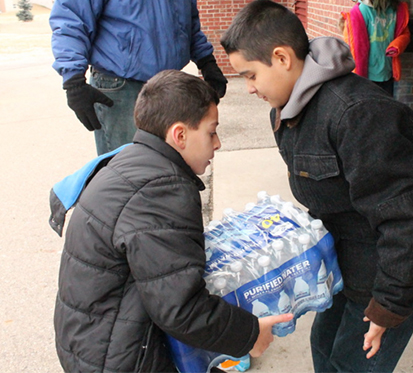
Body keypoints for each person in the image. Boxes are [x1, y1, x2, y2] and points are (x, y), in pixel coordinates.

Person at [221, 0, 413, 373]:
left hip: (389, 274)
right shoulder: (288, 111)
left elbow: (406, 217)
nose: (248, 88)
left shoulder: (357, 114)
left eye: (250, 75)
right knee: (324, 348)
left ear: (281, 58)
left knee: (350, 364)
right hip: (347, 263)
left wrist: (387, 307)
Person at [49, 70, 292, 372]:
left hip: (89, 338)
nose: (217, 144)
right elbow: (180, 308)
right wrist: (249, 334)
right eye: (211, 132)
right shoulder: (163, 190)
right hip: (116, 357)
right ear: (179, 135)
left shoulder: (132, 160)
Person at [49, 0, 228, 156]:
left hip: (169, 87)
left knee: (168, 169)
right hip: (122, 88)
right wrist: (73, 80)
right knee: (129, 173)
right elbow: (71, 20)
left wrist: (206, 61)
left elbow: (188, 22)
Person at [340, 0, 410, 96]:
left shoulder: (396, 9)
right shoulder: (362, 11)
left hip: (388, 75)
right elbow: (357, 48)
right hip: (368, 79)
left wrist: (397, 45)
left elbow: (404, 34)